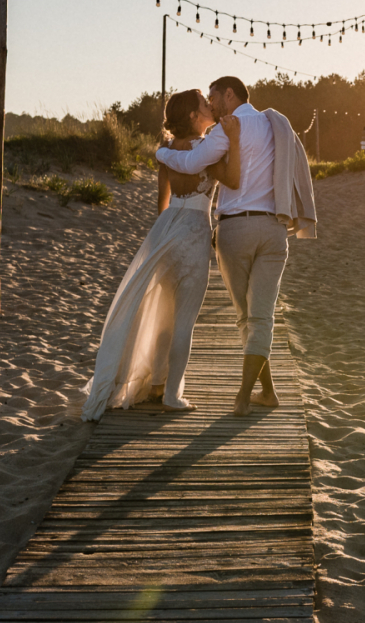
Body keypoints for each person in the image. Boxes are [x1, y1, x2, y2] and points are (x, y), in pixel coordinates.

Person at [155, 75, 317, 415]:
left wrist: (161, 152)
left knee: (248, 316)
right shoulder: (275, 125)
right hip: (274, 229)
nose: (211, 105)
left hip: (235, 230)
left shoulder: (223, 131)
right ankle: (267, 392)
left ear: (229, 94)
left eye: (213, 97)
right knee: (262, 316)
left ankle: (242, 398)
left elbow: (189, 163)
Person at [81, 89, 240, 419]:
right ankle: (171, 394)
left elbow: (161, 202)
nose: (209, 106)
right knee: (184, 320)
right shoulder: (208, 151)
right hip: (195, 229)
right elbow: (234, 181)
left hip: (166, 229)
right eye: (203, 104)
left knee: (164, 311)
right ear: (195, 117)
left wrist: (166, 233)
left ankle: (155, 383)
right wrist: (235, 141)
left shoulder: (167, 152)